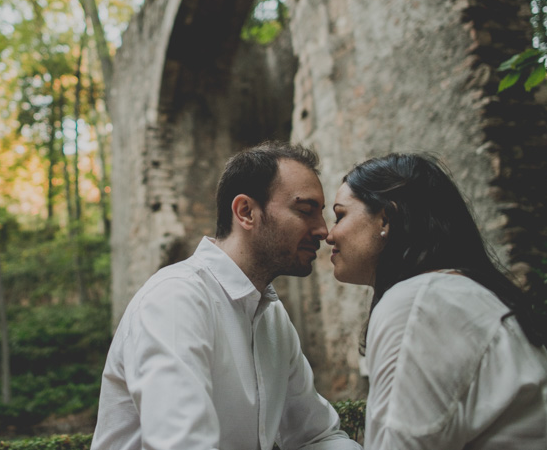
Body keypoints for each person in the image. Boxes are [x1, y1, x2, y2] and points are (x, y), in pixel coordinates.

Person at [90, 141, 361, 450]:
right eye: (305, 211)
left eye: (320, 214)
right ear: (245, 212)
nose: (323, 230)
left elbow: (316, 436)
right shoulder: (175, 300)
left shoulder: (272, 317)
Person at [326, 152, 547, 449]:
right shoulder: (454, 294)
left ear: (385, 218)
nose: (328, 235)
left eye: (340, 215)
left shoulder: (418, 305)